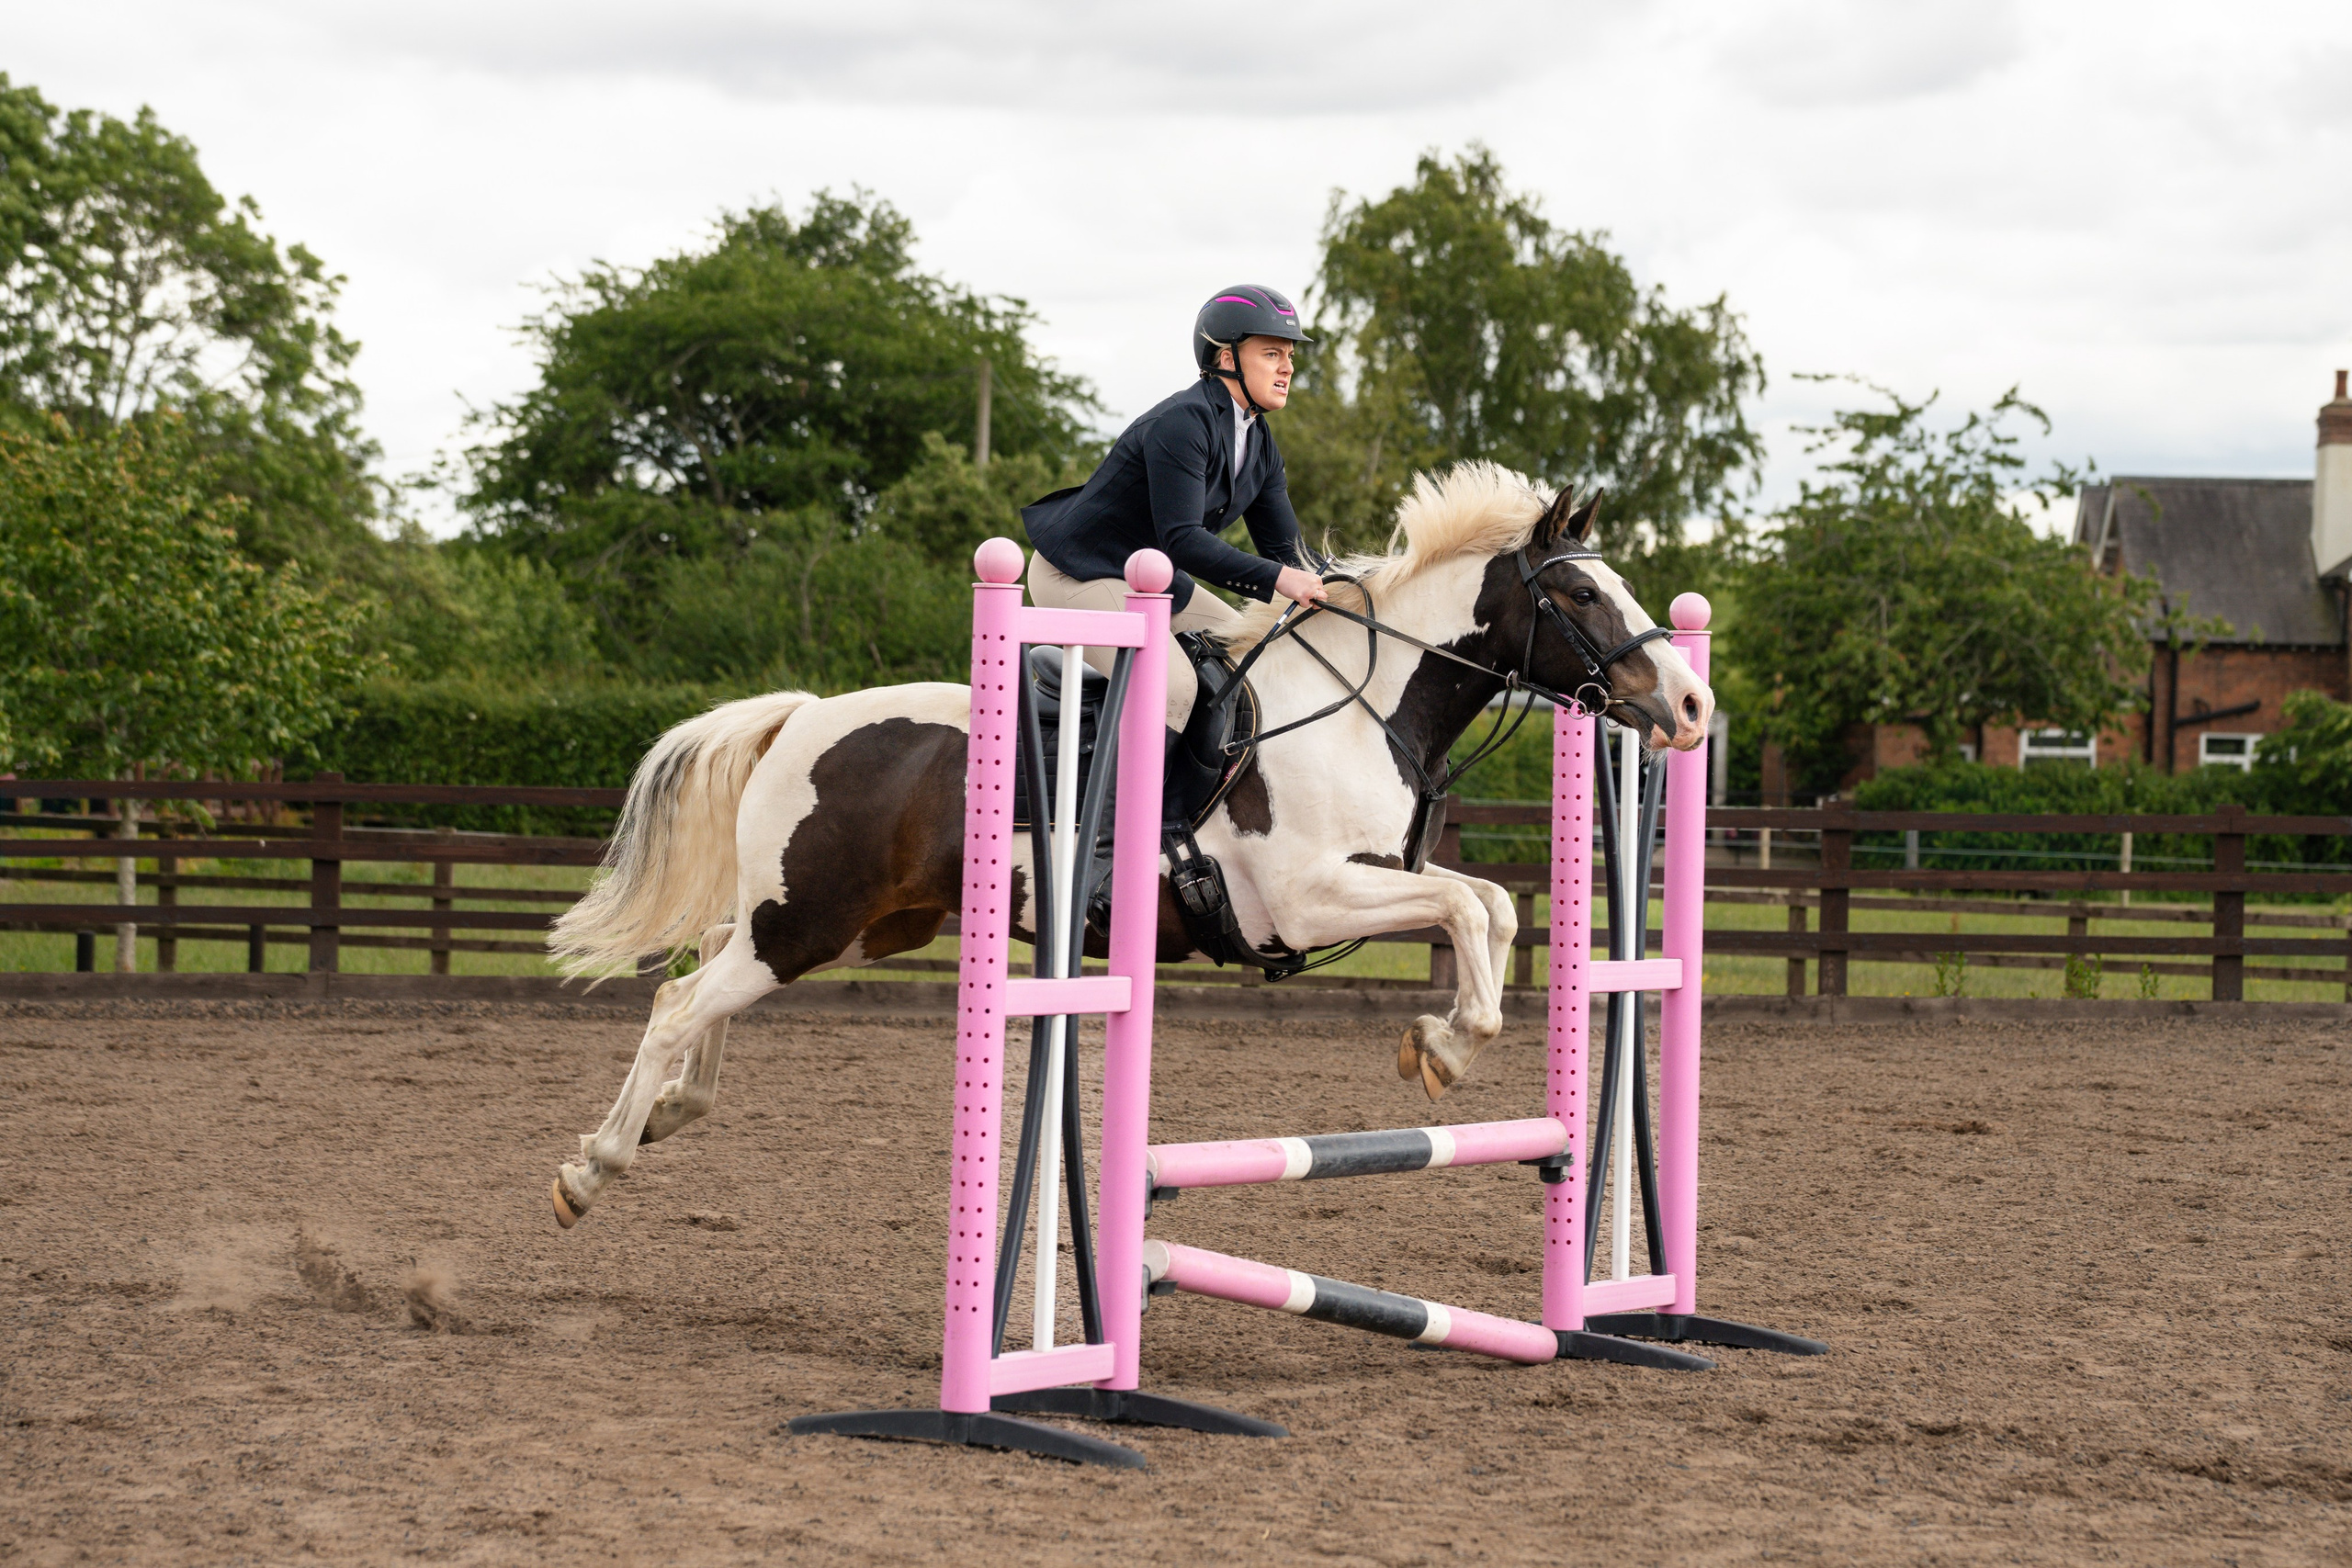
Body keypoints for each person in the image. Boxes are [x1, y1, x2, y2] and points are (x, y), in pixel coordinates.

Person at [1021, 284, 1329, 739]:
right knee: (1174, 688)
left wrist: (1347, 590)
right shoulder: (1183, 422)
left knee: (1247, 660)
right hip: (1078, 572)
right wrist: (1282, 581)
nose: (1287, 368)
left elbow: (1288, 554)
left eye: (1289, 356)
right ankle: (1133, 811)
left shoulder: (1260, 444)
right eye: (1271, 354)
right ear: (1227, 358)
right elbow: (1182, 539)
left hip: (1150, 580)